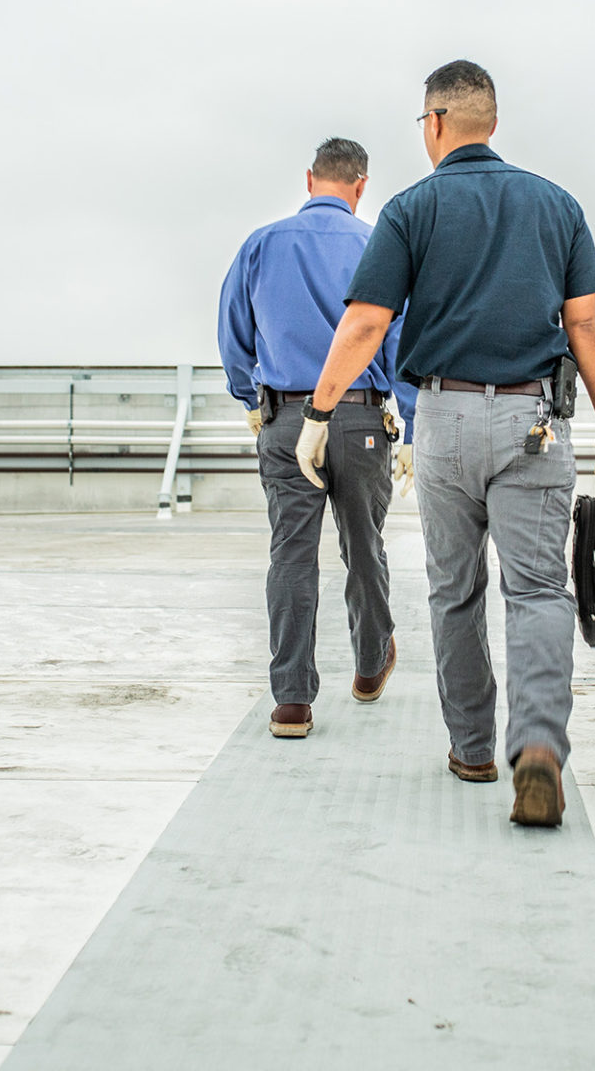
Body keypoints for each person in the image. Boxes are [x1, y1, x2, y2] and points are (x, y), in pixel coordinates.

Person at [294, 61, 595, 827]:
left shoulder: (413, 210)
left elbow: (368, 323)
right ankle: (538, 747)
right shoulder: (556, 205)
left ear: (435, 123)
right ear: (492, 123)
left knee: (455, 591)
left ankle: (472, 748)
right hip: (534, 424)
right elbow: (587, 325)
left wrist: (319, 413)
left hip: (442, 423)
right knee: (538, 590)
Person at [218, 137, 416, 740]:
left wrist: (250, 398)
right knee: (363, 545)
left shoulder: (261, 244)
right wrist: (408, 419)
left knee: (291, 553)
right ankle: (367, 664)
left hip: (284, 421)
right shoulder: (378, 245)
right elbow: (402, 340)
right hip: (359, 419)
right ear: (361, 186)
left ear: (310, 179)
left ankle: (292, 703)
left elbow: (234, 332)